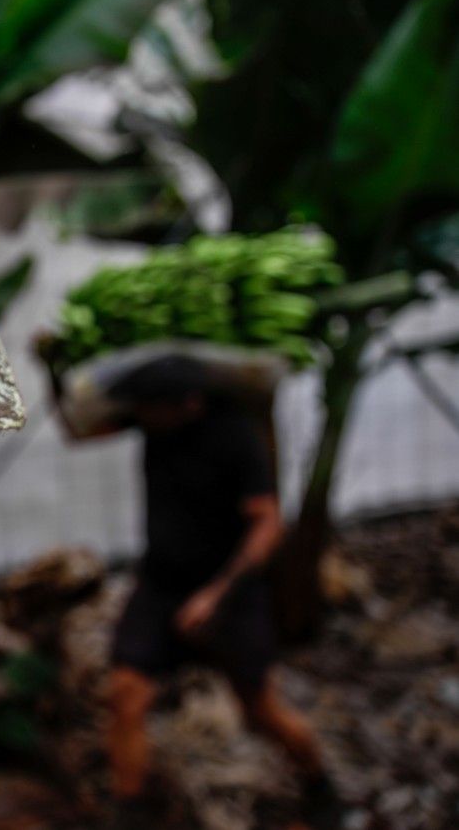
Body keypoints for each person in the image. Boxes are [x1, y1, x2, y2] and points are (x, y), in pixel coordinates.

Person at [41, 352, 338, 828]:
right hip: (162, 585)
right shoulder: (154, 427)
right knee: (126, 692)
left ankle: (320, 781)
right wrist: (53, 371)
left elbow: (267, 524)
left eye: (148, 406)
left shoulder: (235, 437)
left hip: (230, 593)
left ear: (187, 403)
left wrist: (218, 595)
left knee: (260, 708)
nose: (139, 414)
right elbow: (77, 432)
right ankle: (130, 811)